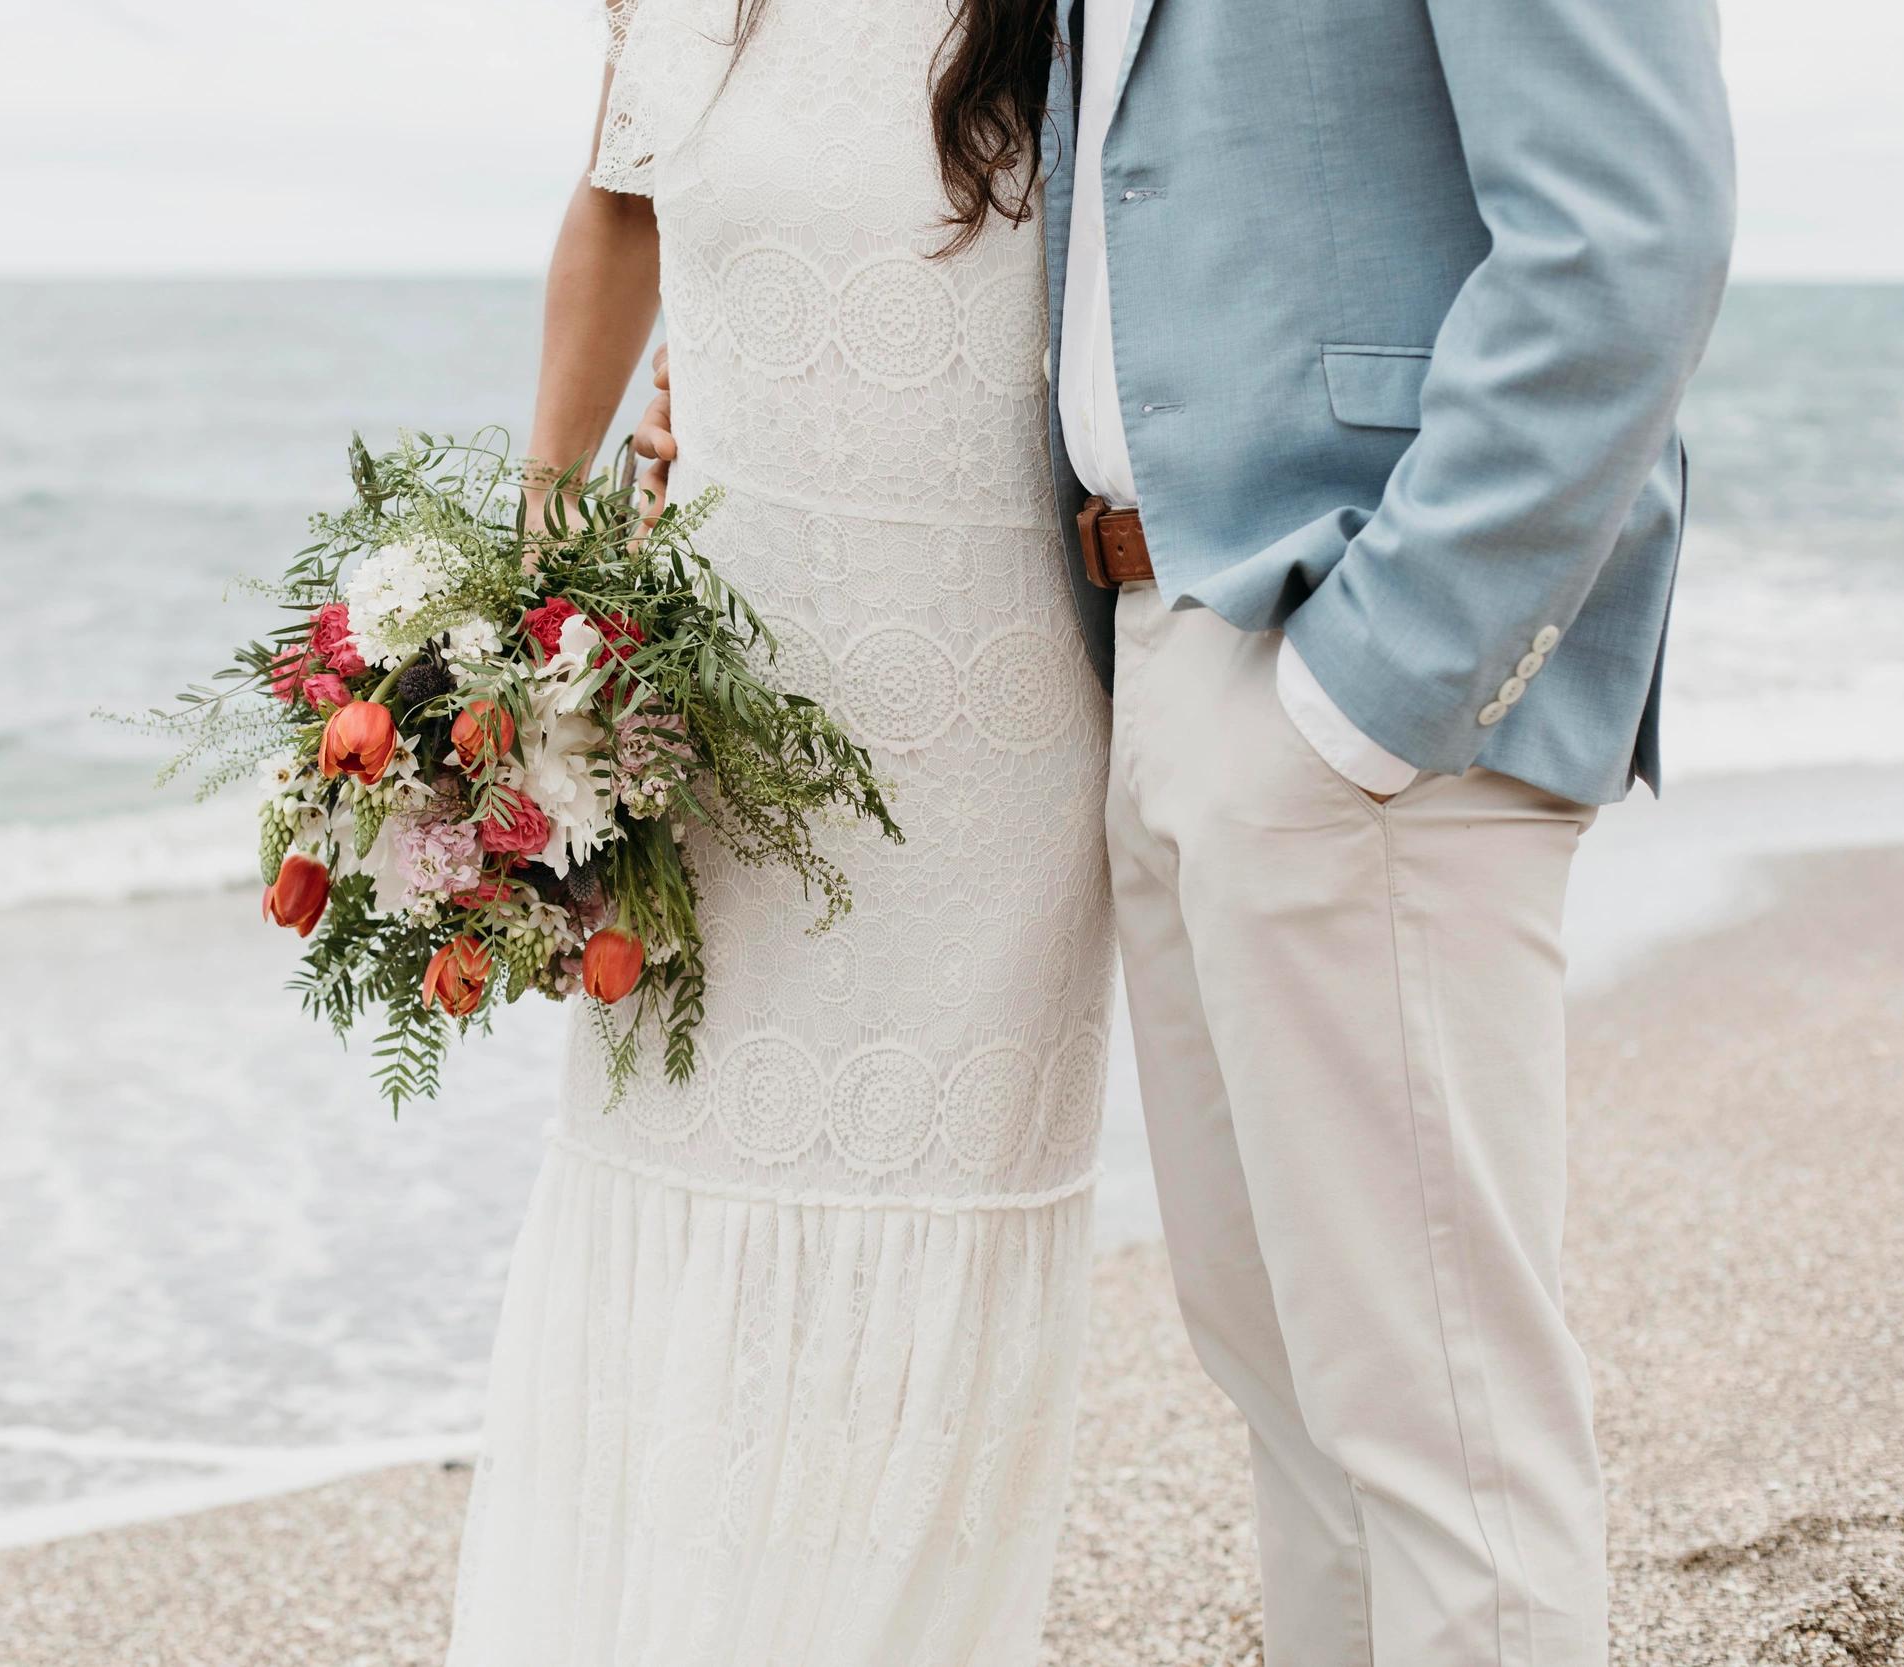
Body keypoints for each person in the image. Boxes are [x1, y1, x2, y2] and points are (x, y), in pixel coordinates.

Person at [629, 0, 1738, 1660]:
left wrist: (1374, 690)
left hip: (1346, 648)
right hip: (1155, 638)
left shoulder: (1357, 690)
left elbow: (1632, 236)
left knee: (1442, 1419)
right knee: (1291, 1384)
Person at [445, 0, 1114, 1661]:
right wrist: (542, 569)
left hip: (997, 728)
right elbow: (616, 206)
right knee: (679, 1194)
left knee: (931, 1242)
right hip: (720, 698)